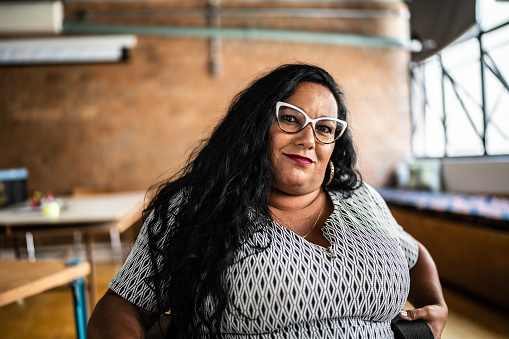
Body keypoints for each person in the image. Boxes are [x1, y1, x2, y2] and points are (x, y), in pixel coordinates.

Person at [87, 63, 448, 338]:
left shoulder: (361, 199)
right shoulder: (198, 206)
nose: (309, 138)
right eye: (291, 119)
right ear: (256, 127)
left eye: (324, 127)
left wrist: (437, 306)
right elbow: (121, 307)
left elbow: (413, 255)